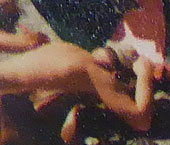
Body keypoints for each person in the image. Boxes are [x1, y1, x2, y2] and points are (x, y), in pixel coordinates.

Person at [0, 40, 154, 133]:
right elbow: (142, 120)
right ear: (117, 74)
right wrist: (144, 75)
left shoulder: (70, 48)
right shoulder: (95, 71)